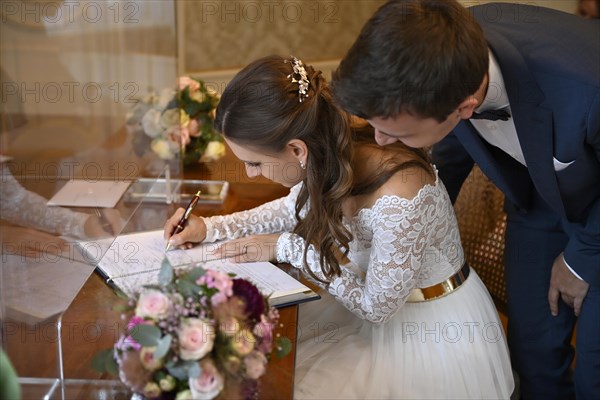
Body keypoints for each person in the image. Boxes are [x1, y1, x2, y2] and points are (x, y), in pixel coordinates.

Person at [164, 55, 514, 399]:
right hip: (366, 297)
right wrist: (208, 228)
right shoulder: (326, 142)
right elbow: (292, 208)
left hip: (426, 329)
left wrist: (289, 248)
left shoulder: (402, 196)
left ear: (296, 150)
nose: (251, 174)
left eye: (254, 163)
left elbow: (376, 309)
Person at [331, 1, 600, 399]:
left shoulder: (586, 90)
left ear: (465, 107)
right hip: (535, 199)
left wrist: (580, 261)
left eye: (397, 134)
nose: (382, 142)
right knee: (532, 351)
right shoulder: (439, 50)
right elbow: (448, 160)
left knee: (594, 370)